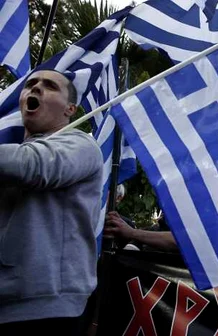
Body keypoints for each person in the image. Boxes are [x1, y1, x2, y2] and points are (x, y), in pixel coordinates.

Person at [0, 70, 103, 333]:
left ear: (70, 109)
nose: (36, 89)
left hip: (48, 311)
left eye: (49, 86)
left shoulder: (81, 144)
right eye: (30, 84)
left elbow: (32, 166)